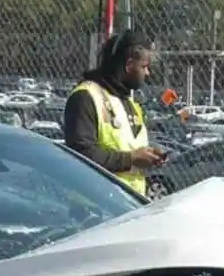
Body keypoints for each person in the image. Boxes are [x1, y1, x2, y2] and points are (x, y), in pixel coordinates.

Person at [64, 29, 164, 194]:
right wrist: (131, 159)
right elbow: (79, 155)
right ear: (129, 64)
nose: (148, 73)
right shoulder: (86, 97)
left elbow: (128, 148)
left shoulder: (130, 103)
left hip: (129, 205)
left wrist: (148, 157)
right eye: (144, 67)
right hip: (95, 207)